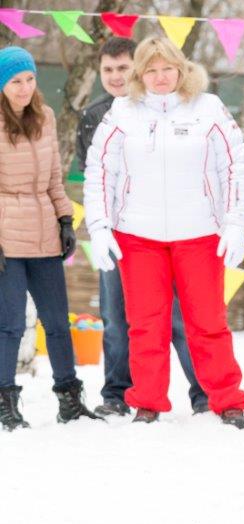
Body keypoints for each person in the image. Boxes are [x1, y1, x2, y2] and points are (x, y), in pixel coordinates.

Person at [83, 36, 244, 428]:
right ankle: (147, 402)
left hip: (199, 232)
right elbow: (100, 173)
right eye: (151, 70)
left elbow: (235, 167)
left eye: (167, 68)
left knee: (208, 321)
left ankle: (227, 399)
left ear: (181, 69)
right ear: (140, 75)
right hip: (137, 235)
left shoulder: (208, 108)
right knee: (146, 324)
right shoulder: (121, 112)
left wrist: (235, 222)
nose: (160, 77)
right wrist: (100, 226)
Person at [76, 37, 208, 418]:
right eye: (108, 69)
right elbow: (95, 176)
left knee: (180, 317)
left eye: (123, 67)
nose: (116, 76)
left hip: (167, 230)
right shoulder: (95, 115)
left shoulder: (166, 107)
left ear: (137, 69)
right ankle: (117, 392)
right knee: (116, 317)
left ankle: (203, 393)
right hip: (116, 234)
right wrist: (101, 227)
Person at [0, 47, 99, 430]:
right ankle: (5, 403)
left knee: (57, 321)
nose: (25, 88)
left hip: (43, 233)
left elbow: (55, 177)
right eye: (15, 82)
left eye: (29, 79)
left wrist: (64, 219)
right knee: (9, 324)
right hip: (7, 237)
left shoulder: (45, 117)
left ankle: (70, 400)